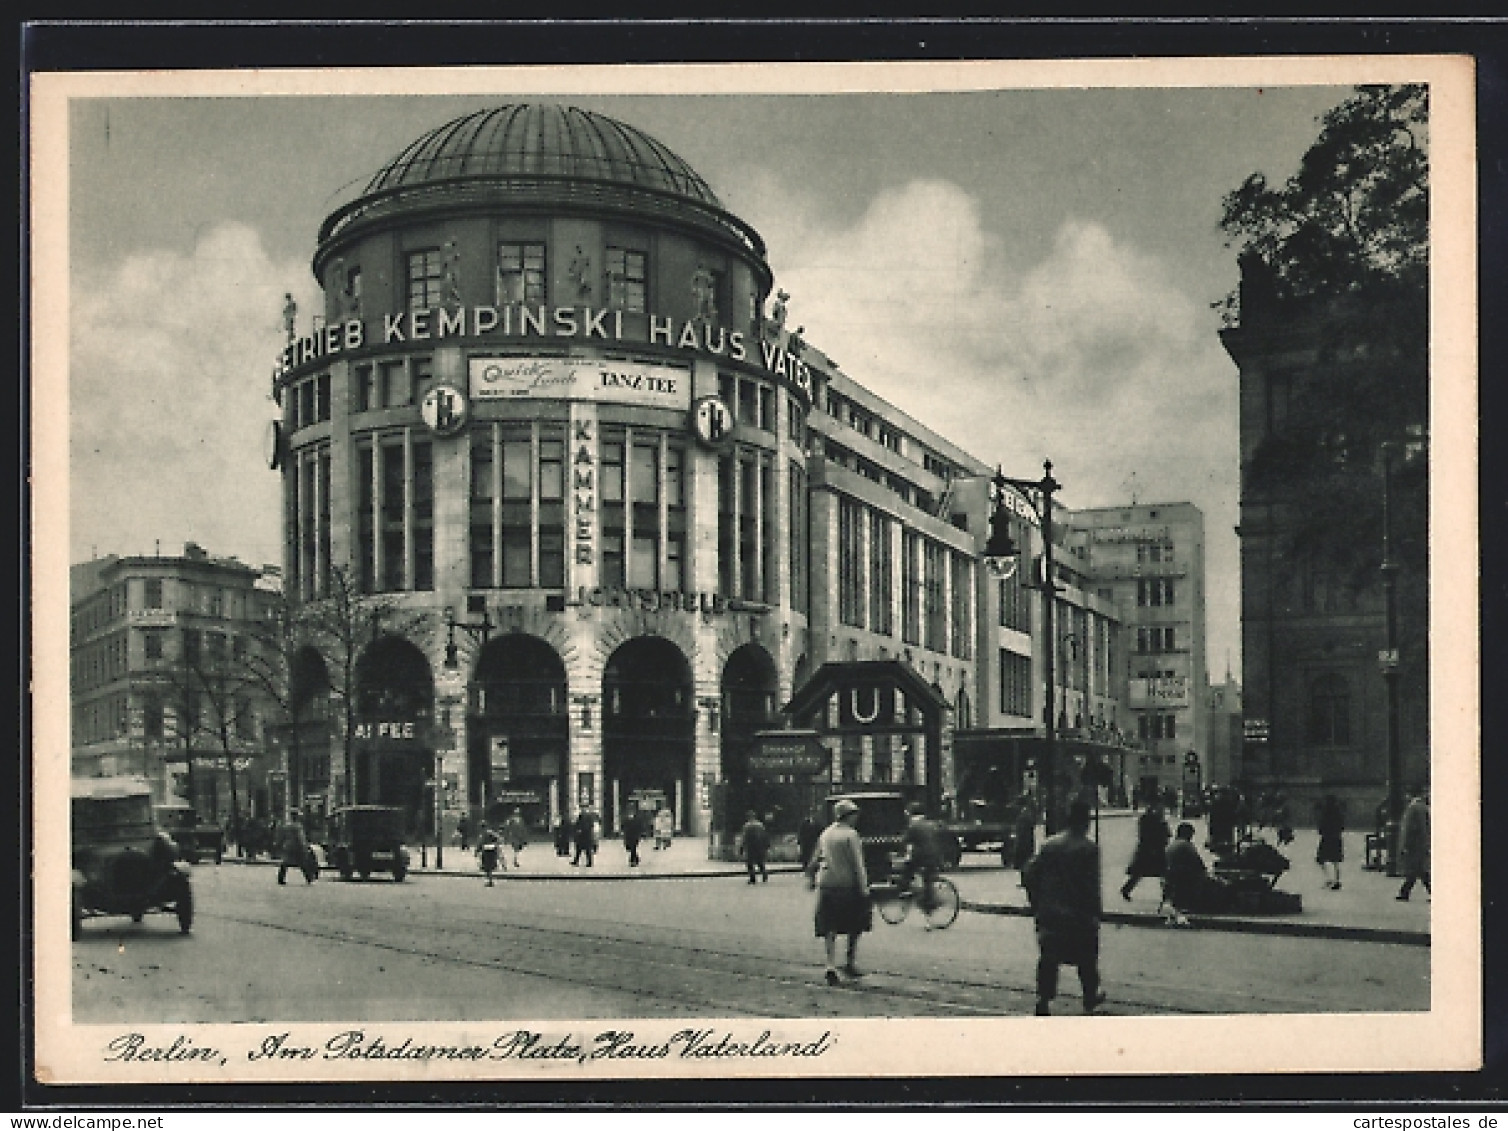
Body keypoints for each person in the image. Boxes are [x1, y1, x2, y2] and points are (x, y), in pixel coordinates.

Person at [1022, 798, 1106, 1016]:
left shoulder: (1049, 845)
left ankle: (1043, 999)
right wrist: (1096, 914)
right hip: (1078, 915)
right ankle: (1090, 996)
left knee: (1049, 959)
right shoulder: (1089, 849)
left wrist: (1037, 903)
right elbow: (1091, 886)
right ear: (1085, 822)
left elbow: (1030, 874)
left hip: (1050, 913)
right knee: (1086, 958)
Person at [805, 798, 871, 986]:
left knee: (829, 926)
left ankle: (830, 965)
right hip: (846, 884)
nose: (856, 818)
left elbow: (816, 857)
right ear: (847, 816)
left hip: (826, 883)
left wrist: (811, 876)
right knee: (855, 924)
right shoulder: (851, 835)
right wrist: (864, 888)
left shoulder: (826, 833)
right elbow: (858, 864)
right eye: (854, 815)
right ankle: (850, 962)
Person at [1162, 821, 1235, 918]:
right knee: (1219, 883)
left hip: (1172, 876)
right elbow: (1198, 864)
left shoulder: (1172, 845)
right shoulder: (1186, 845)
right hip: (1184, 877)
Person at [898, 801, 946, 916]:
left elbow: (904, 841)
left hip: (922, 856)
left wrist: (900, 852)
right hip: (935, 856)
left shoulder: (913, 826)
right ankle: (930, 899)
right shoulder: (930, 824)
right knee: (928, 879)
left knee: (908, 868)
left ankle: (906, 890)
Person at [1120, 800, 1171, 901]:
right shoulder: (1154, 821)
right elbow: (1163, 835)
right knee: (1162, 872)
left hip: (1148, 850)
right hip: (1153, 849)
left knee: (1142, 872)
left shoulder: (1147, 820)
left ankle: (1127, 889)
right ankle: (1167, 894)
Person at [1396, 788, 1431, 901]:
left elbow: (1408, 829)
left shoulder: (1413, 808)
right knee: (1419, 870)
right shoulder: (1422, 807)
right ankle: (1405, 892)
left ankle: (1405, 892)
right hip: (1420, 842)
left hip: (1414, 843)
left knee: (1415, 869)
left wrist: (1404, 844)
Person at [1316, 794, 1345, 890]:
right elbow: (1342, 826)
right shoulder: (1338, 813)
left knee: (1321, 860)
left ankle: (1328, 879)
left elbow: (1321, 826)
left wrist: (1322, 831)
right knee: (1336, 860)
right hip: (1336, 838)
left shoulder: (1325, 812)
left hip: (1327, 838)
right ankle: (1336, 880)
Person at [277, 821, 314, 886]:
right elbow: (300, 837)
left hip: (288, 846)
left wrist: (282, 844)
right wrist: (304, 845)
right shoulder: (298, 826)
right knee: (302, 863)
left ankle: (280, 878)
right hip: (297, 846)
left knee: (285, 863)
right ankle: (309, 878)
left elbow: (282, 837)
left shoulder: (287, 826)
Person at [740, 810, 770, 884]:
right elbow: (765, 836)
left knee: (750, 863)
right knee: (760, 862)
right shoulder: (760, 825)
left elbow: (744, 838)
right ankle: (764, 874)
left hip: (750, 847)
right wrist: (767, 845)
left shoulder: (746, 826)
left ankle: (752, 878)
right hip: (760, 846)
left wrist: (742, 848)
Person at [1012, 795, 1037, 877]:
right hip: (1026, 840)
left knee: (1024, 860)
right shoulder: (1026, 813)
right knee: (1025, 860)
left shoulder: (1024, 815)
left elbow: (1022, 829)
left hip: (1024, 841)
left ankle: (1024, 877)